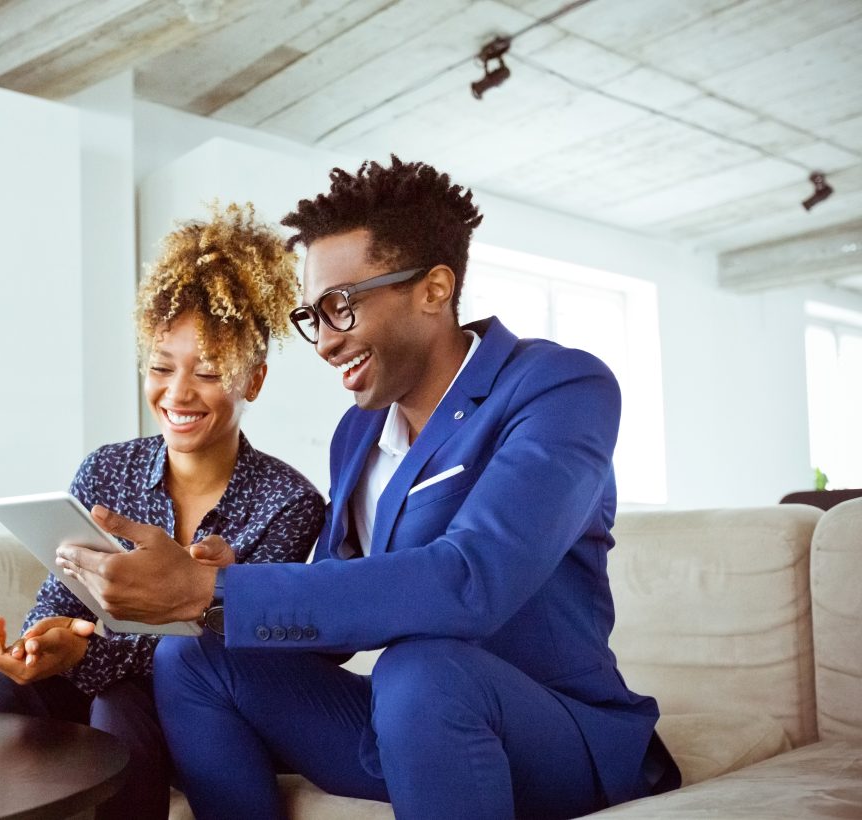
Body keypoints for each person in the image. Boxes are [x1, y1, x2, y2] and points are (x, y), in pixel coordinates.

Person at [57, 157, 680, 819]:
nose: (325, 342)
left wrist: (213, 589)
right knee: (195, 659)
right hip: (410, 721)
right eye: (313, 317)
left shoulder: (560, 388)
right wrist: (211, 596)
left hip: (556, 737)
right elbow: (335, 625)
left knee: (421, 672)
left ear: (433, 290)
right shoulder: (357, 434)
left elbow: (472, 580)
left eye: (341, 308)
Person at [0, 203, 325, 820]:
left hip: (200, 706)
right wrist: (42, 640)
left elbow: (235, 656)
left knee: (119, 711)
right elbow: (64, 597)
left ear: (255, 380)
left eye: (209, 372)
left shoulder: (287, 502)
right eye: (161, 367)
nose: (178, 393)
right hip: (96, 677)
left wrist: (96, 652)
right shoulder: (106, 468)